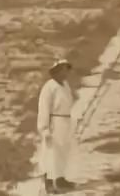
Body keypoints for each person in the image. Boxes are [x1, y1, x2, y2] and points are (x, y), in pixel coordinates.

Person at [37, 58, 79, 193]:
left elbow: (68, 104)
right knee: (51, 153)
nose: (65, 72)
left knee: (63, 151)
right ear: (56, 71)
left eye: (67, 69)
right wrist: (44, 129)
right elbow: (44, 108)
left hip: (65, 122)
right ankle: (49, 184)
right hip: (53, 122)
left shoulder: (65, 85)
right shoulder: (49, 87)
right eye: (62, 69)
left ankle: (60, 179)